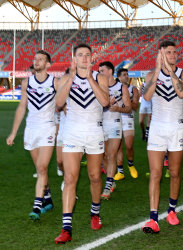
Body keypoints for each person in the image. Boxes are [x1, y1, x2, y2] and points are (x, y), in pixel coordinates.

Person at [54, 44, 109, 244]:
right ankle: (66, 228)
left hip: (94, 131)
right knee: (70, 178)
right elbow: (59, 103)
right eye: (80, 55)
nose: (85, 58)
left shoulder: (101, 78)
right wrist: (72, 78)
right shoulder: (65, 79)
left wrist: (90, 79)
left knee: (95, 176)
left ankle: (95, 212)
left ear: (92, 58)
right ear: (74, 58)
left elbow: (105, 102)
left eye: (87, 55)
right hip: (72, 133)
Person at [141, 41, 183, 234]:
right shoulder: (150, 75)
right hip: (157, 129)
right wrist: (157, 70)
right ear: (160, 55)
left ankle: (171, 210)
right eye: (167, 53)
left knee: (175, 172)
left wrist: (170, 72)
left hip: (176, 128)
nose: (172, 55)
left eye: (173, 52)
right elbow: (146, 97)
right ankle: (153, 218)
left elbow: (181, 92)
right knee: (155, 173)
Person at [6, 50, 56, 220]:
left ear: (48, 64)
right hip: (31, 129)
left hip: (48, 128)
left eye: (41, 59)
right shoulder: (27, 82)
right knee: (39, 169)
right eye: (35, 59)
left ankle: (37, 206)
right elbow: (21, 107)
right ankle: (48, 198)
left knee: (42, 167)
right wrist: (13, 133)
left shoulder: (55, 82)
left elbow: (63, 102)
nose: (37, 61)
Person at [99, 62, 131, 199]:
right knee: (103, 156)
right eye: (99, 71)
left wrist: (118, 109)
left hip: (115, 124)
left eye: (102, 70)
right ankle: (110, 178)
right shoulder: (98, 87)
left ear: (111, 71)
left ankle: (107, 185)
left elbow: (128, 108)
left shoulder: (121, 87)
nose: (100, 73)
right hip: (99, 124)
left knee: (112, 155)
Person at [115, 68, 139, 180]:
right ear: (119, 77)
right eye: (124, 75)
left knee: (129, 146)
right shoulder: (114, 89)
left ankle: (131, 165)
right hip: (117, 119)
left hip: (128, 119)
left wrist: (127, 102)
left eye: (127, 74)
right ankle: (120, 172)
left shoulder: (133, 89)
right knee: (118, 147)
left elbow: (135, 107)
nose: (126, 76)